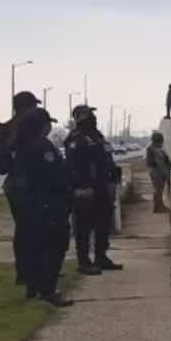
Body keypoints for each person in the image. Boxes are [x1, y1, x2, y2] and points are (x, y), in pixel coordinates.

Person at [13, 109, 74, 306]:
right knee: (55, 247)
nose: (49, 127)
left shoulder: (23, 146)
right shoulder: (40, 147)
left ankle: (34, 287)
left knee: (34, 248)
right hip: (48, 205)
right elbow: (52, 175)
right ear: (41, 125)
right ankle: (48, 290)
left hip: (32, 206)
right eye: (47, 123)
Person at [0, 91, 44, 288]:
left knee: (26, 229)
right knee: (31, 229)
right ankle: (29, 273)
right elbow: (2, 162)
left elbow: (0, 163)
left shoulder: (6, 129)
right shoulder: (16, 129)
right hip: (25, 185)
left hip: (19, 184)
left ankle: (30, 272)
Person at [65, 105, 123, 275]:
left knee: (102, 224)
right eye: (90, 115)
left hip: (102, 188)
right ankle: (84, 261)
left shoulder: (97, 136)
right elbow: (74, 166)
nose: (94, 118)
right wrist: (81, 187)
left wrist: (113, 180)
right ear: (82, 118)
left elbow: (106, 160)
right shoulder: (76, 138)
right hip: (86, 189)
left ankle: (101, 257)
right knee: (83, 226)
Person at [146, 131, 171, 213]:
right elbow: (160, 165)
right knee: (158, 190)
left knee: (158, 190)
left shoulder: (153, 148)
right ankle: (158, 207)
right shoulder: (156, 149)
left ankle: (159, 206)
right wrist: (166, 175)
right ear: (160, 140)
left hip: (154, 171)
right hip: (157, 172)